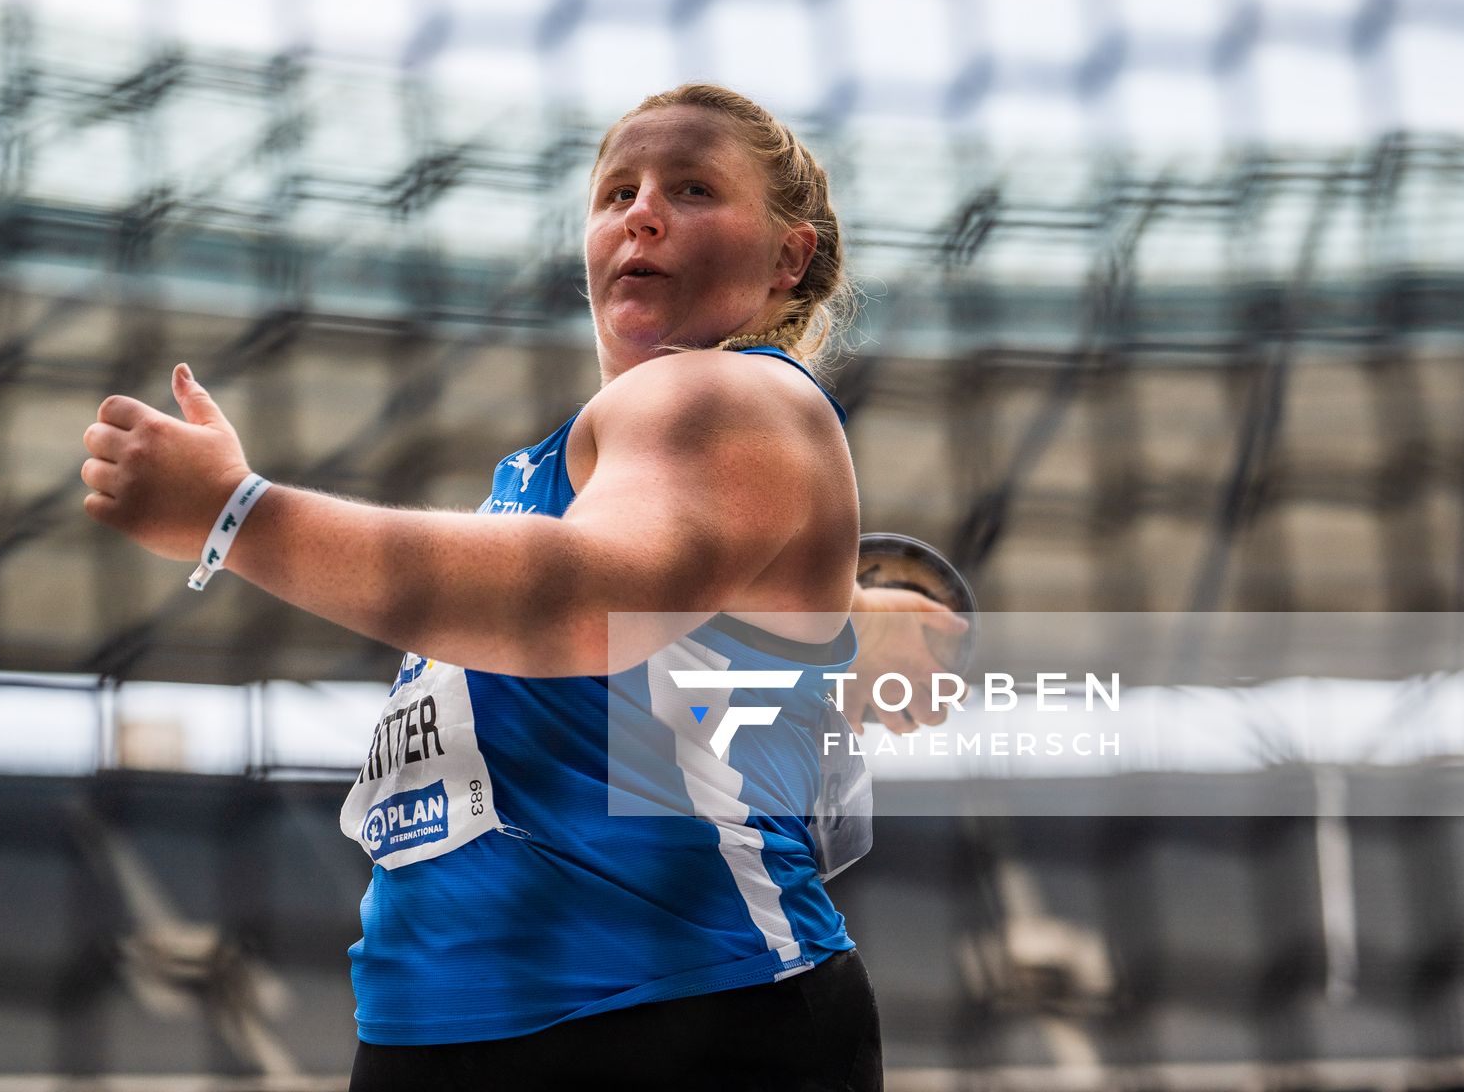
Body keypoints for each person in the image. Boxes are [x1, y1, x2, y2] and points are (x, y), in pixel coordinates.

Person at [80, 83, 965, 1090]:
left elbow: (582, 606)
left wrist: (238, 515)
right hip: (445, 1029)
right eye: (616, 190)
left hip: (674, 1021)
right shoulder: (550, 471)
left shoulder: (731, 389)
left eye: (693, 187)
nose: (640, 210)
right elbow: (670, 606)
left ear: (786, 257)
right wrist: (849, 624)